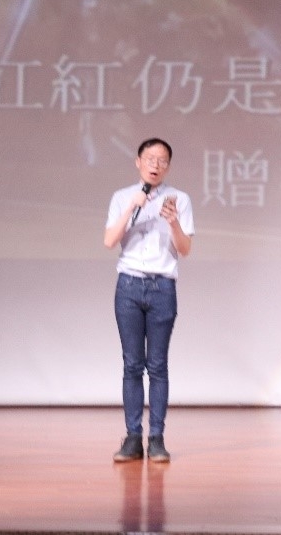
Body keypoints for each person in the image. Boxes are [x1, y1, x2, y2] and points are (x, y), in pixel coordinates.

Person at [103, 138, 194, 463]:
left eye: (163, 160)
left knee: (157, 365)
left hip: (162, 287)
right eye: (150, 158)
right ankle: (132, 438)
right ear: (138, 162)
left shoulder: (179, 199)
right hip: (129, 285)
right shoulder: (122, 197)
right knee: (131, 364)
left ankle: (156, 438)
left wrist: (173, 221)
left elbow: (185, 249)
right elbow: (109, 240)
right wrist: (133, 206)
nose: (156, 165)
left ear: (168, 166)